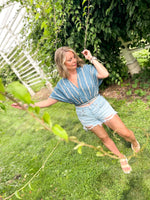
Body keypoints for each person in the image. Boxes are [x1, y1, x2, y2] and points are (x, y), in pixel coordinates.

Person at [12, 46, 140, 174]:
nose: (74, 60)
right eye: (69, 60)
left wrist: (91, 58)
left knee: (125, 133)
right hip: (85, 114)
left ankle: (134, 142)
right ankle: (120, 156)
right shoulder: (61, 86)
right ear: (62, 64)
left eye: (73, 57)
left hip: (100, 105)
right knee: (104, 138)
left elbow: (104, 74)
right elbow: (48, 102)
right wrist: (26, 106)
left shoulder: (86, 69)